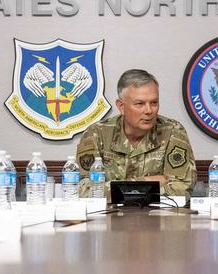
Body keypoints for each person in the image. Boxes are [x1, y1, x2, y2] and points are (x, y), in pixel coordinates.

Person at [76, 69, 195, 197]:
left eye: (154, 103)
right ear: (121, 106)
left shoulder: (173, 131)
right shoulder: (97, 133)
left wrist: (119, 189)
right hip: (108, 215)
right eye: (140, 104)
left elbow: (182, 188)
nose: (149, 110)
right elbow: (84, 190)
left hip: (158, 215)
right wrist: (146, 182)